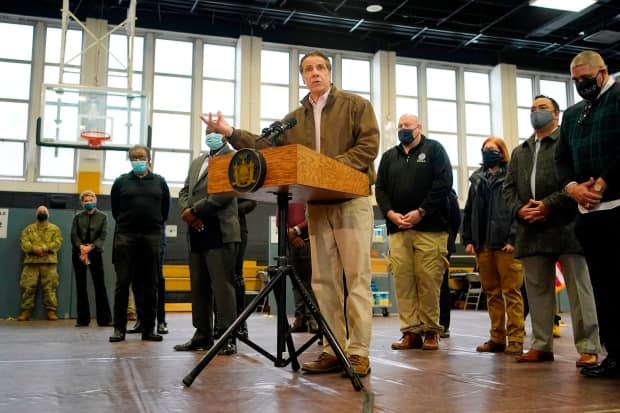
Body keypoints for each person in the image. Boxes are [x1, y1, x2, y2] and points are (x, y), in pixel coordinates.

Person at [204, 50, 379, 376]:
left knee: (356, 280)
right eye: (308, 69)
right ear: (302, 77)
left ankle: (357, 353)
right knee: (324, 283)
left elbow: (368, 147)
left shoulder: (356, 106)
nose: (315, 73)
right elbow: (265, 145)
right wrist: (230, 132)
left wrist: (328, 169)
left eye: (320, 68)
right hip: (317, 204)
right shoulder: (294, 118)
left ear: (330, 73)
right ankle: (332, 348)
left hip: (351, 200)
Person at [503, 94, 600, 366]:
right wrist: (519, 209)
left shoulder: (569, 144)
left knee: (580, 291)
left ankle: (589, 346)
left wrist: (548, 205)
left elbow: (581, 181)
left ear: (556, 115)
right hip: (531, 229)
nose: (536, 113)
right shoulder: (520, 151)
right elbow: (507, 188)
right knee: (537, 291)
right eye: (532, 109)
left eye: (542, 108)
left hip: (567, 225)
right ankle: (541, 345)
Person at [555, 50, 620, 379]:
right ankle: (615, 355)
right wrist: (572, 188)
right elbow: (561, 159)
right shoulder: (572, 114)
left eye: (586, 78)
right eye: (575, 80)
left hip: (617, 206)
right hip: (588, 215)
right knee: (603, 289)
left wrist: (606, 181)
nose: (581, 84)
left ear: (603, 72)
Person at [375, 113, 452, 351]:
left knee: (428, 281)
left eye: (407, 125)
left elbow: (443, 183)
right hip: (397, 229)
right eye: (400, 126)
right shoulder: (389, 157)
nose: (402, 129)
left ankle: (431, 331)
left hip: (430, 228)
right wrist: (389, 213)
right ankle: (410, 332)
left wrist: (421, 211)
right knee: (404, 281)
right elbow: (381, 189)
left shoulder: (435, 150)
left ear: (419, 127)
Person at [174, 130, 240, 355]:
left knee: (223, 288)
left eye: (216, 133)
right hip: (196, 229)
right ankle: (202, 334)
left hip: (220, 229)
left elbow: (226, 193)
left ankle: (227, 336)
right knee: (199, 286)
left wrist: (195, 211)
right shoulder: (198, 161)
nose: (211, 136)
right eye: (208, 133)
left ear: (224, 136)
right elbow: (184, 191)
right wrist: (187, 211)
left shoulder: (233, 158)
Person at [462, 136, 525, 355]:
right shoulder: (477, 179)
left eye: (493, 149)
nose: (488, 152)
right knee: (492, 293)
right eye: (485, 149)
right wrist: (469, 239)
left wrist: (513, 238)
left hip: (506, 244)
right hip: (483, 245)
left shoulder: (512, 175)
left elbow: (519, 208)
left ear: (502, 152)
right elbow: (469, 210)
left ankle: (516, 339)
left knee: (512, 292)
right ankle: (497, 338)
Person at [109, 145, 170, 343]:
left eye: (141, 157)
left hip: (152, 236)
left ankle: (149, 329)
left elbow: (165, 210)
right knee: (122, 283)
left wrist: (153, 225)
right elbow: (115, 209)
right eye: (134, 157)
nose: (138, 160)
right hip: (126, 236)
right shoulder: (121, 182)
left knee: (151, 284)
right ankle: (119, 329)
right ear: (129, 160)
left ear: (149, 158)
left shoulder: (160, 182)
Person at [70, 190, 112, 327]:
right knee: (80, 286)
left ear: (95, 200)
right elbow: (74, 235)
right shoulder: (77, 217)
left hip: (95, 252)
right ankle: (82, 320)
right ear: (82, 202)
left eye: (90, 200)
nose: (88, 203)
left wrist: (90, 247)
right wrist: (81, 248)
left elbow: (103, 235)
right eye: (85, 201)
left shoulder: (103, 217)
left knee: (99, 285)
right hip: (79, 253)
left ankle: (104, 319)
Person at [17, 206, 64, 321]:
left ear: (48, 214)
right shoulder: (28, 229)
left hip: (49, 263)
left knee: (50, 288)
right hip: (31, 263)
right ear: (36, 214)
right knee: (28, 287)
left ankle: (51, 311)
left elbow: (58, 242)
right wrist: (34, 249)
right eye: (40, 212)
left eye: (44, 212)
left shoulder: (55, 229)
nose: (42, 213)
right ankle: (26, 312)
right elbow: (24, 242)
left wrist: (45, 248)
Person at [127, 226, 168, 335]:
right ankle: (141, 320)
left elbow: (164, 213)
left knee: (158, 278)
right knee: (136, 279)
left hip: (156, 233)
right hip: (135, 235)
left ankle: (161, 321)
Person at [286, 202, 318, 334]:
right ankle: (300, 318)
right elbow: (279, 218)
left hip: (308, 240)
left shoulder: (307, 194)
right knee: (296, 282)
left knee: (309, 283)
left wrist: (296, 230)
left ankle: (313, 319)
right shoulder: (288, 193)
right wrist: (291, 235)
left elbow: (313, 217)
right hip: (290, 241)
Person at [439, 188, 461, 338]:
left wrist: (449, 239)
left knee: (442, 285)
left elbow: (456, 221)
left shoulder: (449, 195)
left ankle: (443, 324)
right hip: (444, 242)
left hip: (445, 244)